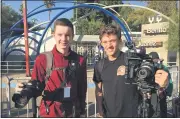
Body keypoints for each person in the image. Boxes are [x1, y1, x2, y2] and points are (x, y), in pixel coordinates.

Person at [14, 18, 87, 117]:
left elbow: (82, 89)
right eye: (60, 35)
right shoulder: (43, 59)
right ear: (54, 35)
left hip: (73, 113)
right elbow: (37, 85)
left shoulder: (80, 60)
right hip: (49, 113)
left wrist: (82, 111)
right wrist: (25, 91)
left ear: (72, 36)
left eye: (67, 35)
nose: (64, 39)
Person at [93, 24, 170, 117]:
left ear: (120, 41)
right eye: (105, 42)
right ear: (101, 43)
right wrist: (100, 110)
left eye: (112, 41)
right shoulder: (99, 66)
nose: (109, 45)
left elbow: (153, 81)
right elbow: (98, 89)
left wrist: (164, 84)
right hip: (109, 115)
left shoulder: (133, 60)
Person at [148, 52, 173, 117]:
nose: (154, 63)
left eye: (155, 60)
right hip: (152, 93)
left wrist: (167, 91)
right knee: (154, 111)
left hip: (161, 93)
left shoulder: (163, 68)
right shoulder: (147, 68)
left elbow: (168, 81)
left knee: (161, 110)